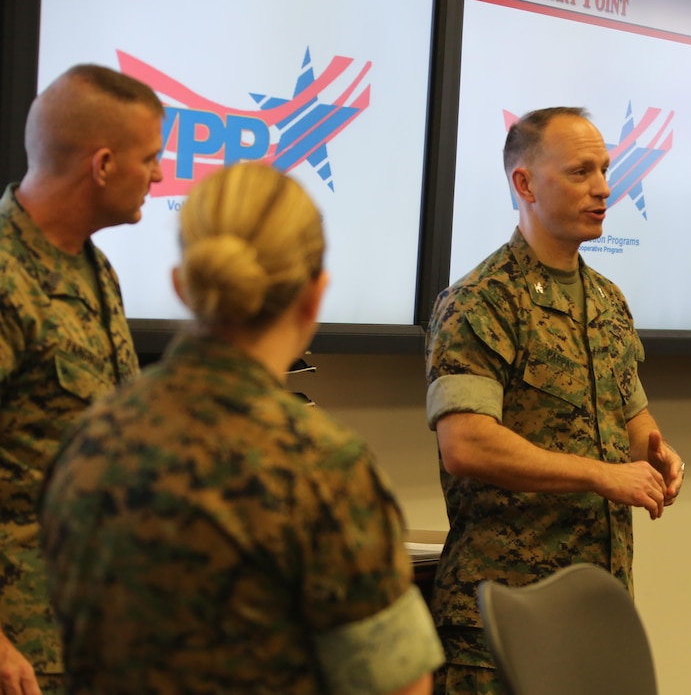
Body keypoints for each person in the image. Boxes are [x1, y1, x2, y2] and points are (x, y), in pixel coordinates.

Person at [37, 162, 444, 694]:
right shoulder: (323, 466)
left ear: (181, 285)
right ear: (315, 295)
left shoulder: (87, 440)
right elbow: (398, 686)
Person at [424, 106, 685, 694]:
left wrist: (659, 457)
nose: (602, 188)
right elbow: (465, 444)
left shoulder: (608, 301)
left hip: (598, 619)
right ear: (524, 183)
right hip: (503, 628)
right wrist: (602, 476)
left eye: (604, 169)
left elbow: (633, 419)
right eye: (580, 172)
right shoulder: (481, 301)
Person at [0, 64, 165, 695]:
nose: (157, 175)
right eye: (149, 158)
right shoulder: (9, 281)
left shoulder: (96, 271)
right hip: (22, 649)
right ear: (101, 165)